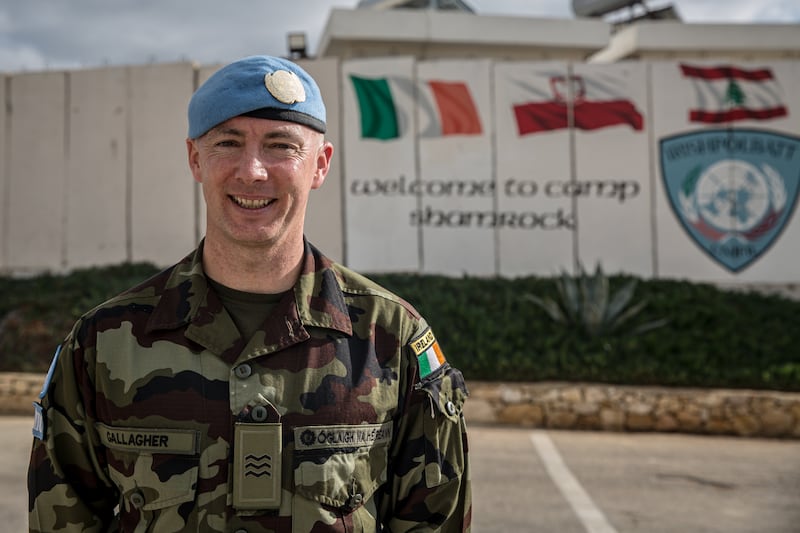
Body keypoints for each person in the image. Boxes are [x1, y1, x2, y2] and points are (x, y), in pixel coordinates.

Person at [27, 55, 471, 532]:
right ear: (196, 159)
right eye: (227, 143)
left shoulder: (391, 339)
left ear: (320, 165)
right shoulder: (104, 343)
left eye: (281, 145)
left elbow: (435, 520)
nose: (253, 170)